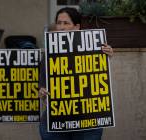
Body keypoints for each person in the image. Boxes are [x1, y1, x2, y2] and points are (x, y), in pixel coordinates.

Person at [39, 7, 113, 140]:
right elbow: (43, 85)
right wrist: (42, 92)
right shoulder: (49, 52)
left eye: (66, 23)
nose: (61, 27)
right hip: (56, 123)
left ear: (77, 26)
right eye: (58, 23)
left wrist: (106, 55)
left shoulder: (93, 48)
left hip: (87, 123)